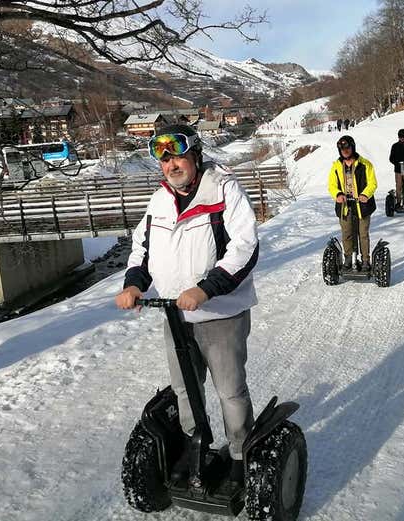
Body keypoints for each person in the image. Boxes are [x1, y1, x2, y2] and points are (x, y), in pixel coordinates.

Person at [115, 124, 258, 486]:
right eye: (162, 157)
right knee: (184, 388)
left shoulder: (223, 189)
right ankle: (198, 445)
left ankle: (241, 456)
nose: (170, 164)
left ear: (194, 154)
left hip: (220, 313)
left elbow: (245, 247)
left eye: (177, 154)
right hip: (175, 313)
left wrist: (207, 289)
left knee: (230, 390)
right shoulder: (159, 198)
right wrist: (134, 284)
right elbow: (142, 248)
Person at [328, 135, 378, 271]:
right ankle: (349, 258)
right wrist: (337, 194)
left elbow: (373, 183)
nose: (345, 151)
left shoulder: (365, 164)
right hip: (344, 205)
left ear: (352, 147)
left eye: (347, 148)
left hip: (362, 205)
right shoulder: (336, 166)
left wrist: (365, 194)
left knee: (363, 233)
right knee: (347, 233)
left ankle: (366, 260)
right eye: (342, 149)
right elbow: (331, 185)